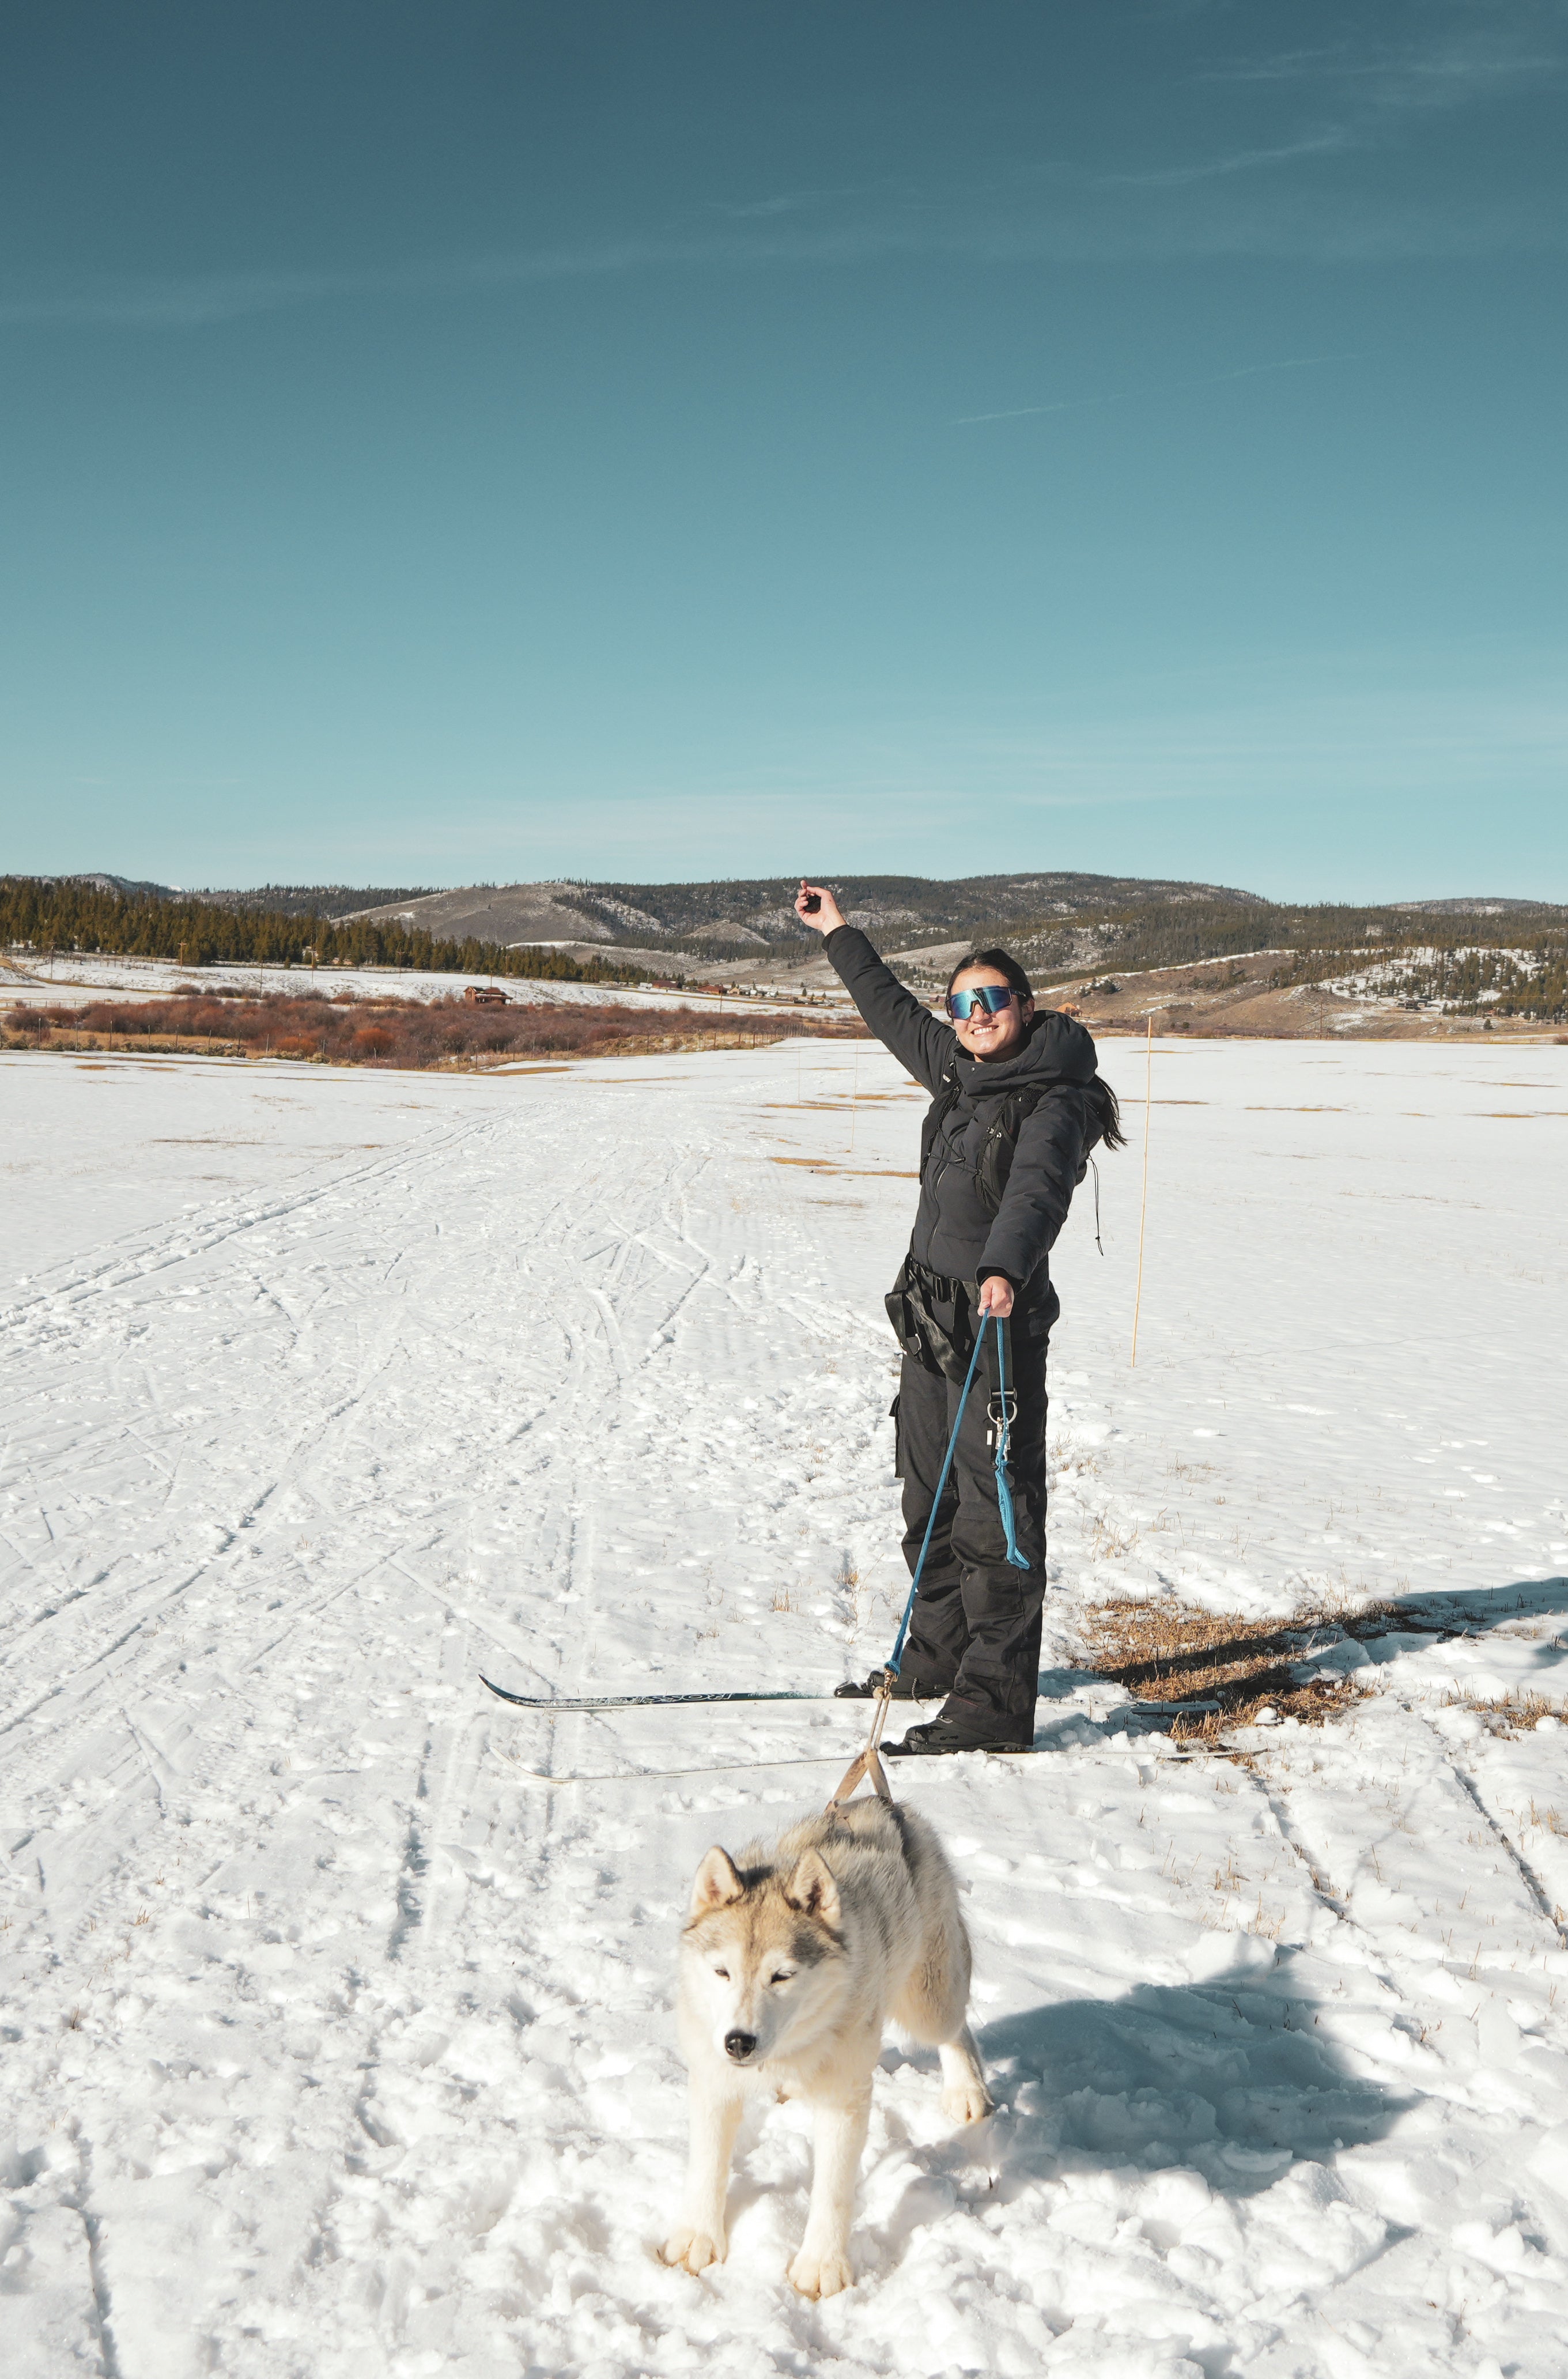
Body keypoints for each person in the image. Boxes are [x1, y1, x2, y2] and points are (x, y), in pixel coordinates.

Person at [794, 880, 1120, 1755]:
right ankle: (934, 1658)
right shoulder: (957, 1072)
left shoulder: (1053, 1094)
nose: (976, 1015)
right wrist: (839, 932)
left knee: (993, 1515)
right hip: (930, 1322)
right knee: (927, 1498)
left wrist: (1004, 1271)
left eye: (992, 999)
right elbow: (887, 1009)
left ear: (1023, 1005)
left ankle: (991, 1704)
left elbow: (1036, 1191)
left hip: (995, 1327)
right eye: (962, 1003)